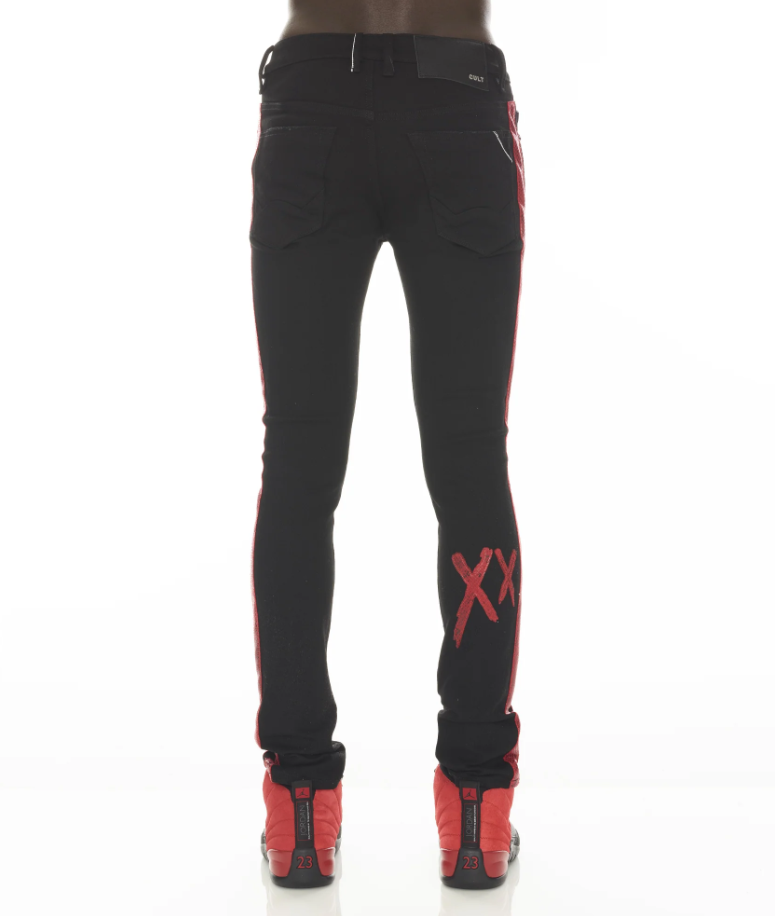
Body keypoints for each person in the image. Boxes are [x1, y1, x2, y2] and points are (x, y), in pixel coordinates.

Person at [250, 0, 525, 890]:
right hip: (454, 98)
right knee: (471, 458)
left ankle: (297, 803)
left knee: (298, 465)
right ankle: (477, 805)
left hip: (312, 99)